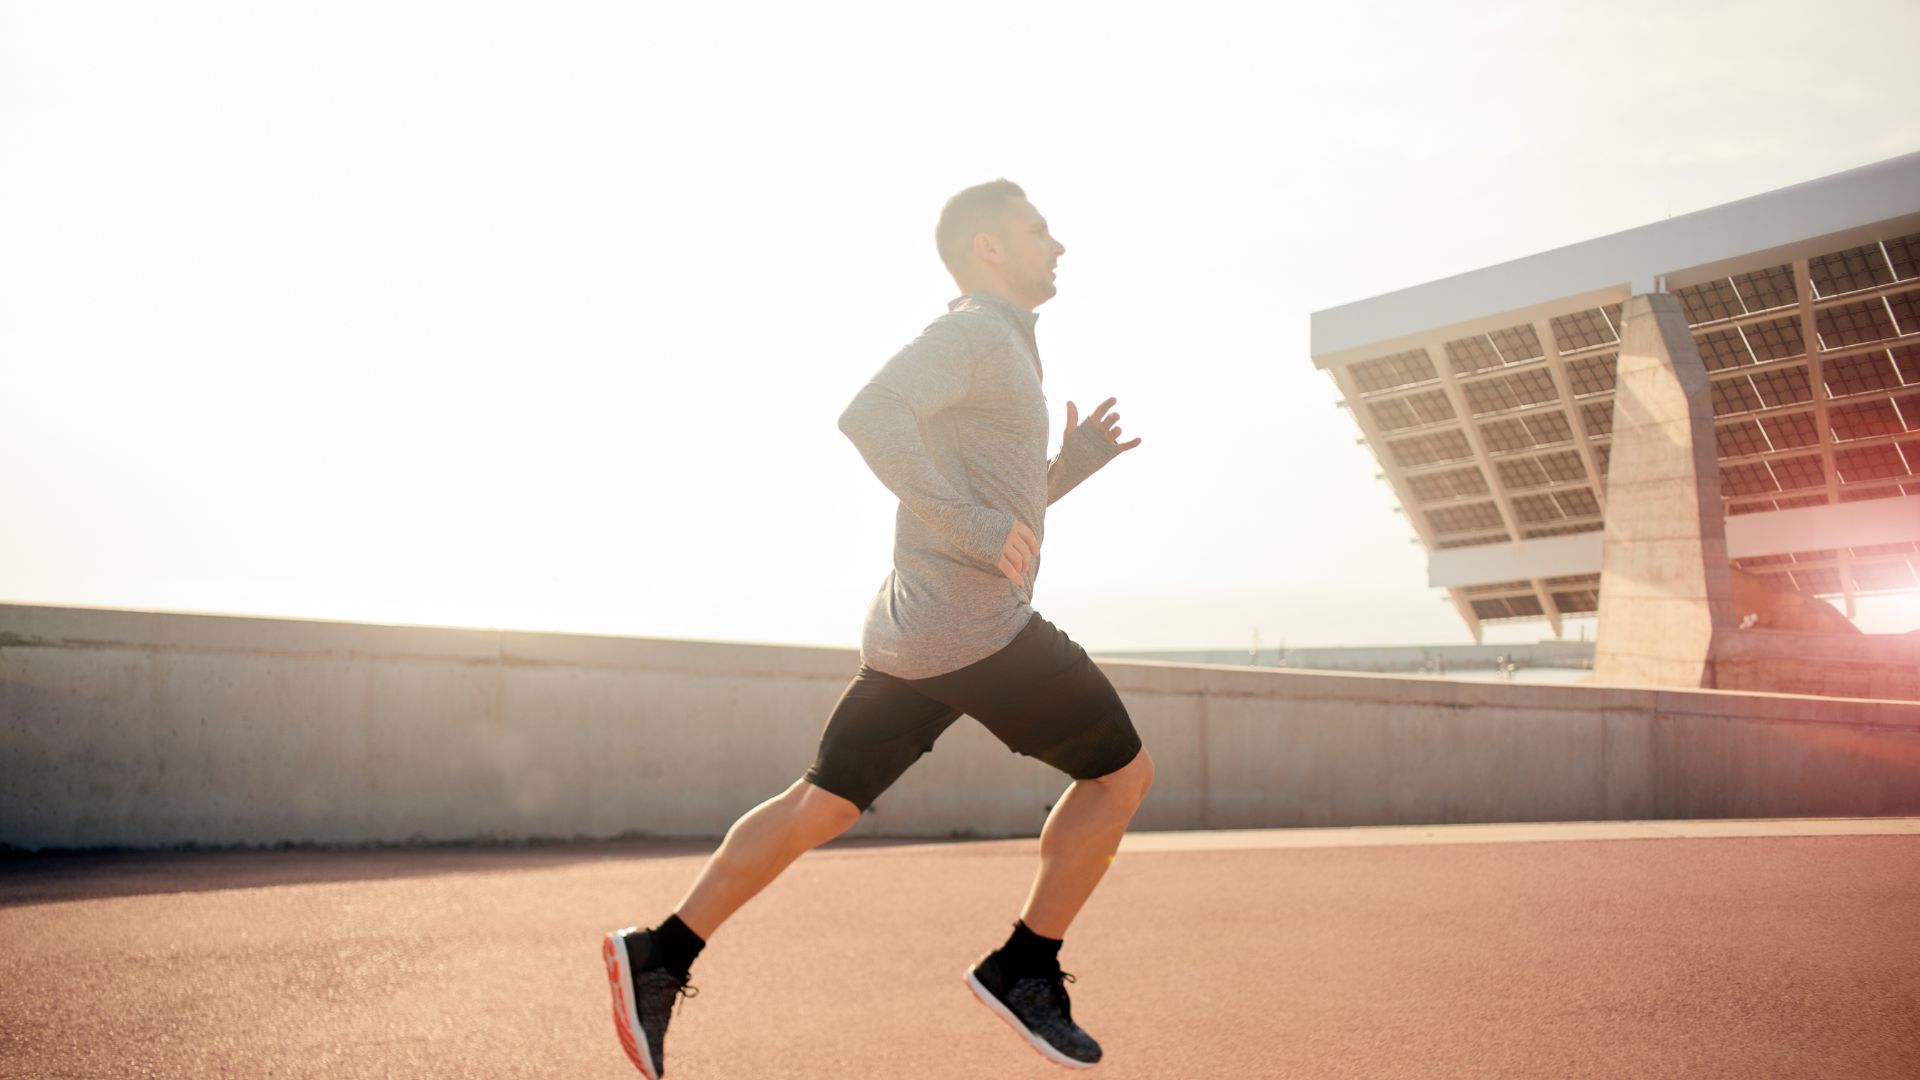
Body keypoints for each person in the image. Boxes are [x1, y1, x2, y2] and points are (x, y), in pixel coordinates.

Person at [602, 178, 1154, 1076]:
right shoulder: (976, 332)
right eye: (1038, 230)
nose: (1058, 245)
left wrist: (1068, 469)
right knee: (1123, 775)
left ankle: (662, 952)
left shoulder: (1004, 346)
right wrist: (979, 529)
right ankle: (1025, 966)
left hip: (917, 630)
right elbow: (869, 417)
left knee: (818, 804)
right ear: (989, 249)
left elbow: (1001, 515)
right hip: (977, 631)